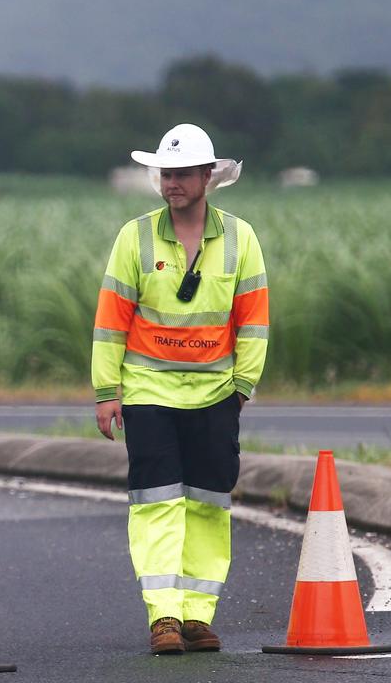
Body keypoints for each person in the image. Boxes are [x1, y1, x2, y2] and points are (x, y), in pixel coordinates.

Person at [91, 124, 269, 654]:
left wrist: (242, 386)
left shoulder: (240, 237)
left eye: (183, 173)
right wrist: (107, 390)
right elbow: (110, 321)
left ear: (208, 177)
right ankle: (164, 616)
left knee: (210, 504)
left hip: (216, 395)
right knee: (156, 504)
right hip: (148, 394)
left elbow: (254, 319)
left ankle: (197, 615)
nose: (172, 183)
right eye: (166, 173)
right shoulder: (136, 237)